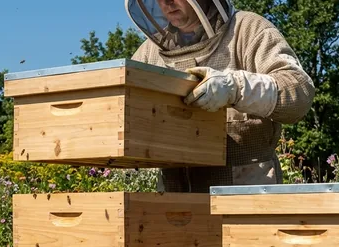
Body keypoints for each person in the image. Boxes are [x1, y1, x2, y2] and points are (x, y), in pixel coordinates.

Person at [125, 0, 315, 193]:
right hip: (174, 195)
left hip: (246, 191)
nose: (166, 2)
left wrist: (234, 87)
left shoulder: (247, 29)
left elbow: (299, 90)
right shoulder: (149, 51)